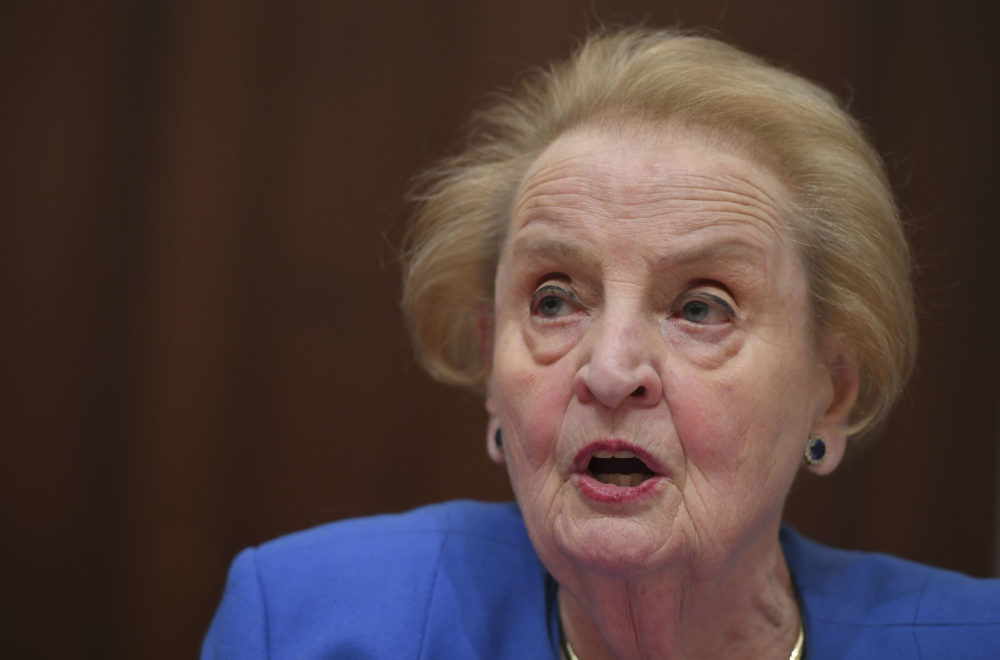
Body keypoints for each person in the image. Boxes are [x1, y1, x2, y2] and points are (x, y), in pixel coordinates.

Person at [202, 28, 1000, 659]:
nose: (611, 371)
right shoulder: (309, 625)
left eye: (701, 307)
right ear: (491, 369)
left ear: (832, 390)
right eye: (554, 299)